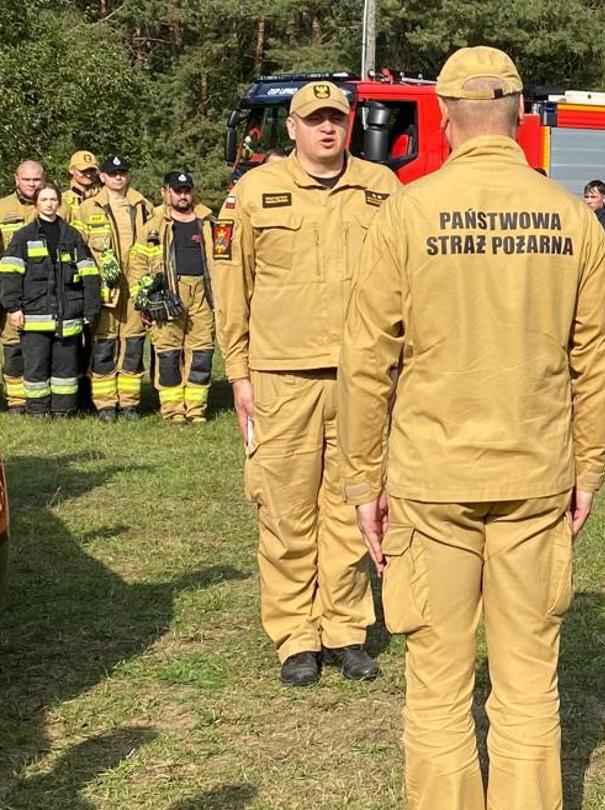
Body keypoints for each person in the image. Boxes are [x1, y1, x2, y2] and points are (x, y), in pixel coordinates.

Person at [339, 46, 605, 809]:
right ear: (522, 117)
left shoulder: (405, 212)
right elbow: (600, 362)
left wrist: (362, 482)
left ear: (440, 116)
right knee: (529, 681)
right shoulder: (572, 219)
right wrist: (588, 471)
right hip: (534, 477)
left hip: (432, 482)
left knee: (436, 682)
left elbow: (365, 361)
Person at [210, 79, 399, 686]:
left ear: (350, 127)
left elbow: (406, 284)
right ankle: (296, 636)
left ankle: (345, 632)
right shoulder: (253, 192)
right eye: (314, 119)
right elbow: (230, 292)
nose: (326, 129)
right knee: (285, 510)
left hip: (361, 380)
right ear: (290, 128)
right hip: (279, 377)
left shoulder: (382, 189)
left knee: (353, 507)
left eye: (336, 120)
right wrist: (237, 372)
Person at [1, 185, 99, 418]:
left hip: (68, 316)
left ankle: (63, 411)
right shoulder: (23, 236)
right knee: (36, 368)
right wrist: (13, 307)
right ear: (36, 203)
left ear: (59, 202)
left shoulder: (72, 235)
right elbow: (10, 274)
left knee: (65, 369)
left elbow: (89, 272)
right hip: (34, 316)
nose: (49, 204)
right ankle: (38, 412)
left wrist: (90, 307)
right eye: (44, 199)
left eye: (53, 199)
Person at [130, 171, 215, 423]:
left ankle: (196, 408)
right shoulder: (154, 225)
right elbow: (137, 264)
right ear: (165, 193)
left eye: (187, 190)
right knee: (168, 353)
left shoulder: (207, 221)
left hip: (202, 294)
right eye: (177, 191)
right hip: (168, 294)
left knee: (202, 351)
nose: (183, 195)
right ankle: (173, 409)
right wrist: (142, 298)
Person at [79, 154, 152, 419]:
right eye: (112, 173)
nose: (118, 177)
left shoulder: (143, 205)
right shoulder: (88, 207)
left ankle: (129, 402)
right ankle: (106, 404)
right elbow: (80, 249)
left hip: (134, 287)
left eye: (122, 172)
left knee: (133, 343)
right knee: (104, 345)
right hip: (105, 289)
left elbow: (153, 245)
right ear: (103, 177)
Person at [1, 160, 48, 412]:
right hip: (10, 286)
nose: (32, 184)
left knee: (38, 345)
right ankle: (16, 401)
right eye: (27, 179)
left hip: (42, 288)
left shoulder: (52, 205)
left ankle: (37, 398)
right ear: (16, 179)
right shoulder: (2, 207)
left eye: (37, 179)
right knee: (13, 344)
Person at [61, 151, 99, 220]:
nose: (88, 175)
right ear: (71, 170)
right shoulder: (61, 199)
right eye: (83, 171)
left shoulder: (102, 196)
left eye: (92, 170)